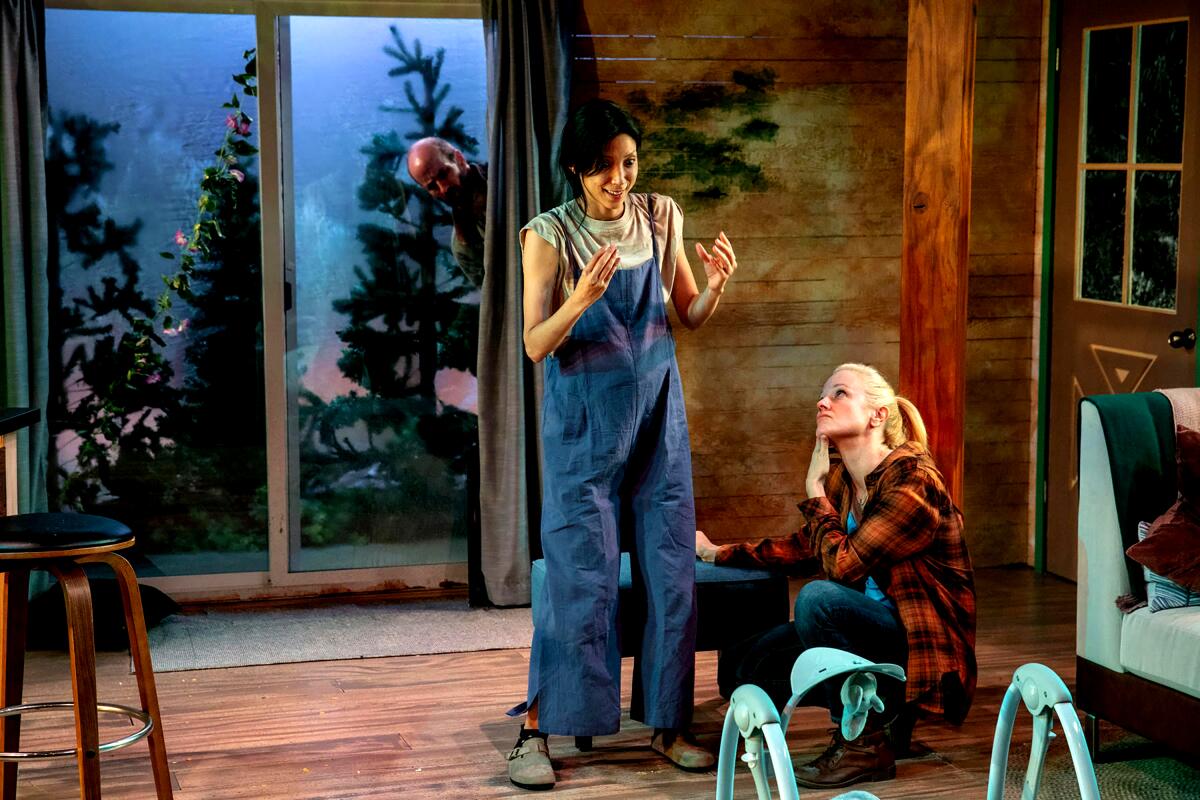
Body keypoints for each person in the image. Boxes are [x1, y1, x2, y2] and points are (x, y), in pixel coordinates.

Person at [505, 99, 738, 791]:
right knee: (581, 578)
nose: (619, 178)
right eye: (604, 166)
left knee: (673, 572)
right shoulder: (549, 234)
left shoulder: (660, 215)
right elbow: (534, 343)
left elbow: (689, 314)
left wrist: (718, 286)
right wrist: (577, 300)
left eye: (628, 162)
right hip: (585, 426)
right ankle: (537, 732)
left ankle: (670, 726)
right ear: (576, 167)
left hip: (659, 419)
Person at [695, 363, 976, 791]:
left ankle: (864, 745)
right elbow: (809, 545)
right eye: (823, 394)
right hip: (872, 634)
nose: (822, 402)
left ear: (877, 415)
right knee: (747, 666)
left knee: (818, 601)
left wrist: (814, 492)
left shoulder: (914, 482)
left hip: (920, 649)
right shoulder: (849, 479)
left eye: (840, 393)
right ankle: (886, 720)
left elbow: (844, 563)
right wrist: (720, 553)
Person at [405, 137, 487, 287]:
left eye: (443, 174)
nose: (443, 188)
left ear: (459, 159)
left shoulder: (508, 177)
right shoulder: (463, 247)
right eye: (432, 187)